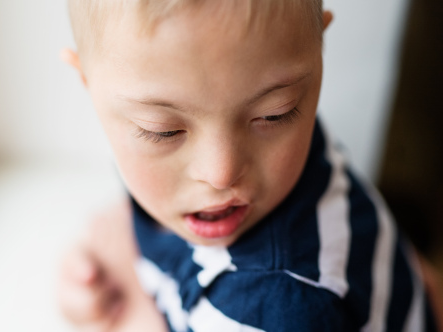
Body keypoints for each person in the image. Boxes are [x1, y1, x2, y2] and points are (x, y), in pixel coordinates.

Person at [57, 0, 439, 331]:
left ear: (319, 50)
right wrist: (97, 279)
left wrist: (124, 317)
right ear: (88, 84)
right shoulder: (261, 102)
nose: (221, 173)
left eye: (274, 115)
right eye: (164, 132)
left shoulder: (284, 305)